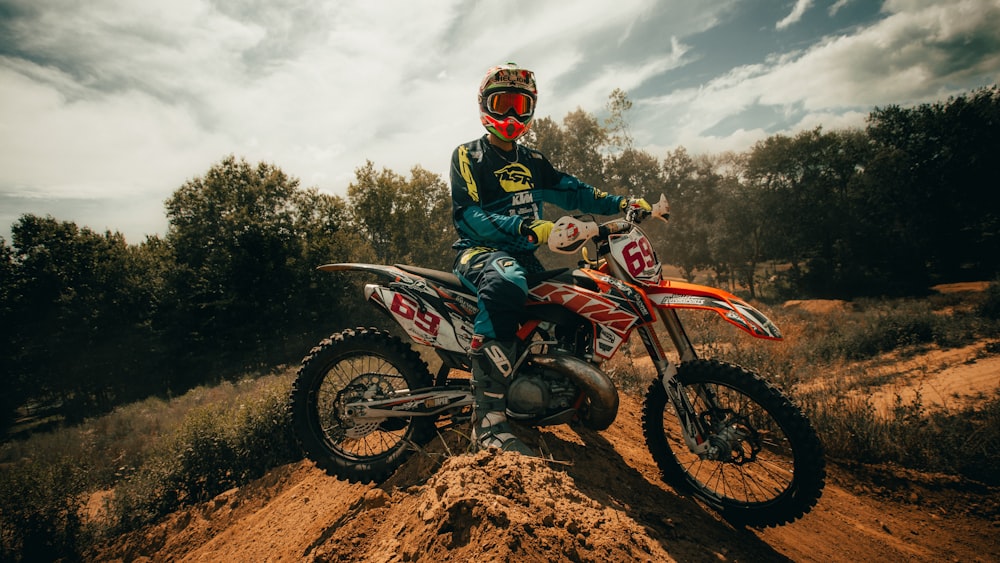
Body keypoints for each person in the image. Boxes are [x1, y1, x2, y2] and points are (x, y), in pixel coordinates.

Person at [450, 62, 649, 455]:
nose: (509, 115)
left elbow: (577, 193)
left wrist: (622, 202)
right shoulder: (468, 156)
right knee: (507, 282)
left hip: (525, 257)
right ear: (484, 105)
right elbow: (468, 215)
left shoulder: (534, 161)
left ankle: (564, 395)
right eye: (501, 103)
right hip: (481, 253)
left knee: (577, 290)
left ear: (530, 110)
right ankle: (487, 421)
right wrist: (530, 230)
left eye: (518, 106)